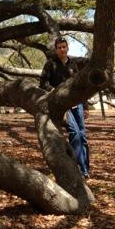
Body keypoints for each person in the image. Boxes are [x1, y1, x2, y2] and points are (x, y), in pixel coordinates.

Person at [40, 36, 90, 178]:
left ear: (67, 48)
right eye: (59, 47)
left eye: (64, 46)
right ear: (56, 50)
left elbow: (80, 87)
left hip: (77, 104)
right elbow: (43, 83)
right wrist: (55, 92)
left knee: (83, 136)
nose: (62, 49)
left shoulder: (73, 65)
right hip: (62, 105)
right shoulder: (50, 64)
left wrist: (85, 106)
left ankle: (86, 169)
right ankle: (79, 168)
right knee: (74, 133)